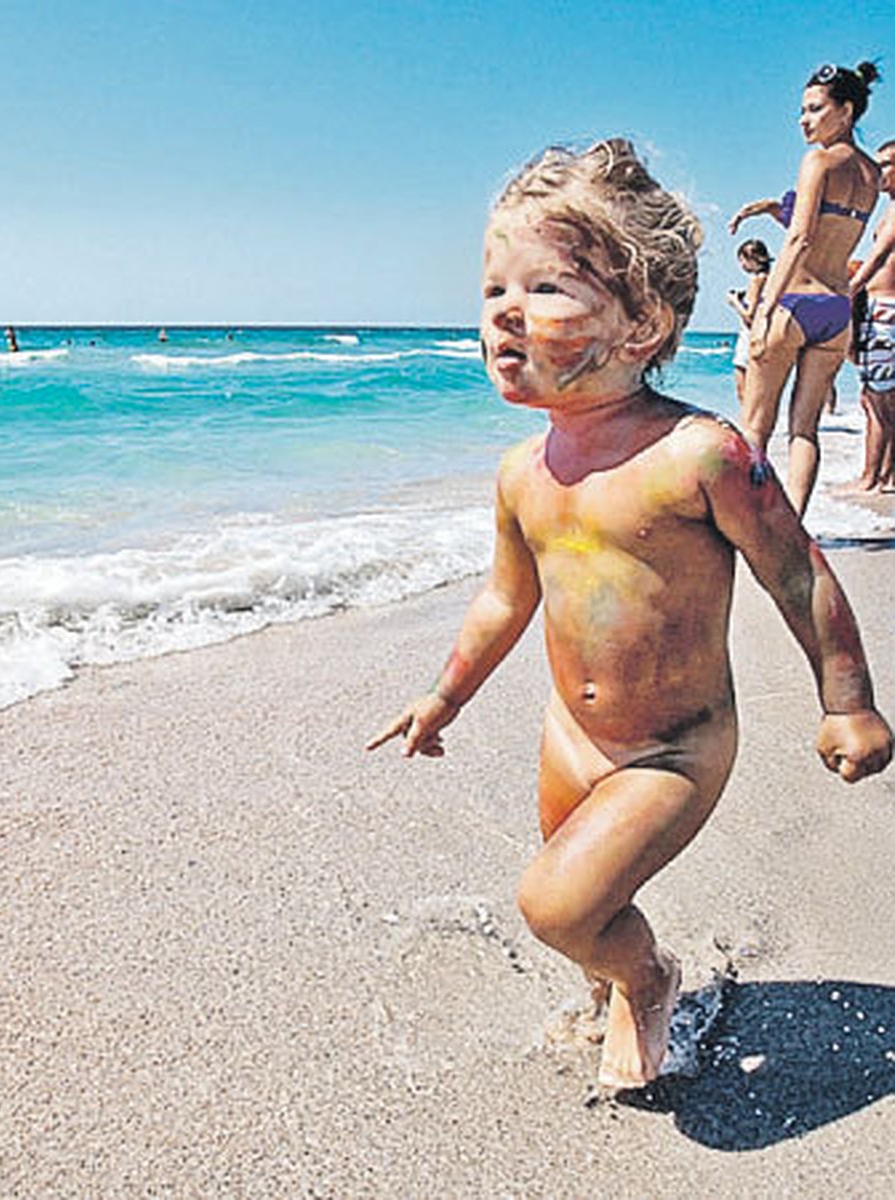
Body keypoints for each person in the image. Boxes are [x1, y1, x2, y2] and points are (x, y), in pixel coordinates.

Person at [367, 138, 892, 1090]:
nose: (505, 317)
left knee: (559, 903)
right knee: (583, 906)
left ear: (643, 322)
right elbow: (504, 600)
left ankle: (650, 981)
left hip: (676, 748)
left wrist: (847, 700)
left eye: (546, 290)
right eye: (493, 293)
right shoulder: (521, 475)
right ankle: (612, 988)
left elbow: (796, 575)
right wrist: (443, 697)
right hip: (570, 739)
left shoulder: (701, 456)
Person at [728, 61, 881, 517]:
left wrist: (763, 311)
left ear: (847, 110)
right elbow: (833, 225)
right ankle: (793, 523)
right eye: (802, 110)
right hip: (836, 311)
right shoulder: (872, 174)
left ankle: (749, 523)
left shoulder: (817, 160)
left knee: (755, 428)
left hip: (794, 303)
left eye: (815, 109)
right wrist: (775, 208)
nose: (804, 119)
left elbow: (800, 239)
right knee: (804, 431)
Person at [847, 139, 895, 491]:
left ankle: (870, 479)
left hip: (884, 311)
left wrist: (848, 290)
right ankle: (886, 476)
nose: (879, 172)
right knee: (883, 398)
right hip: (882, 309)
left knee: (875, 400)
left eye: (887, 165)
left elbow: (879, 257)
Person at [726, 239, 771, 403]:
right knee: (760, 388)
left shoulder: (756, 280)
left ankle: (747, 425)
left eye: (742, 260)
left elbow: (749, 316)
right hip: (767, 334)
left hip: (751, 335)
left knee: (742, 386)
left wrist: (734, 302)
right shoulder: (772, 278)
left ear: (752, 259)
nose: (742, 265)